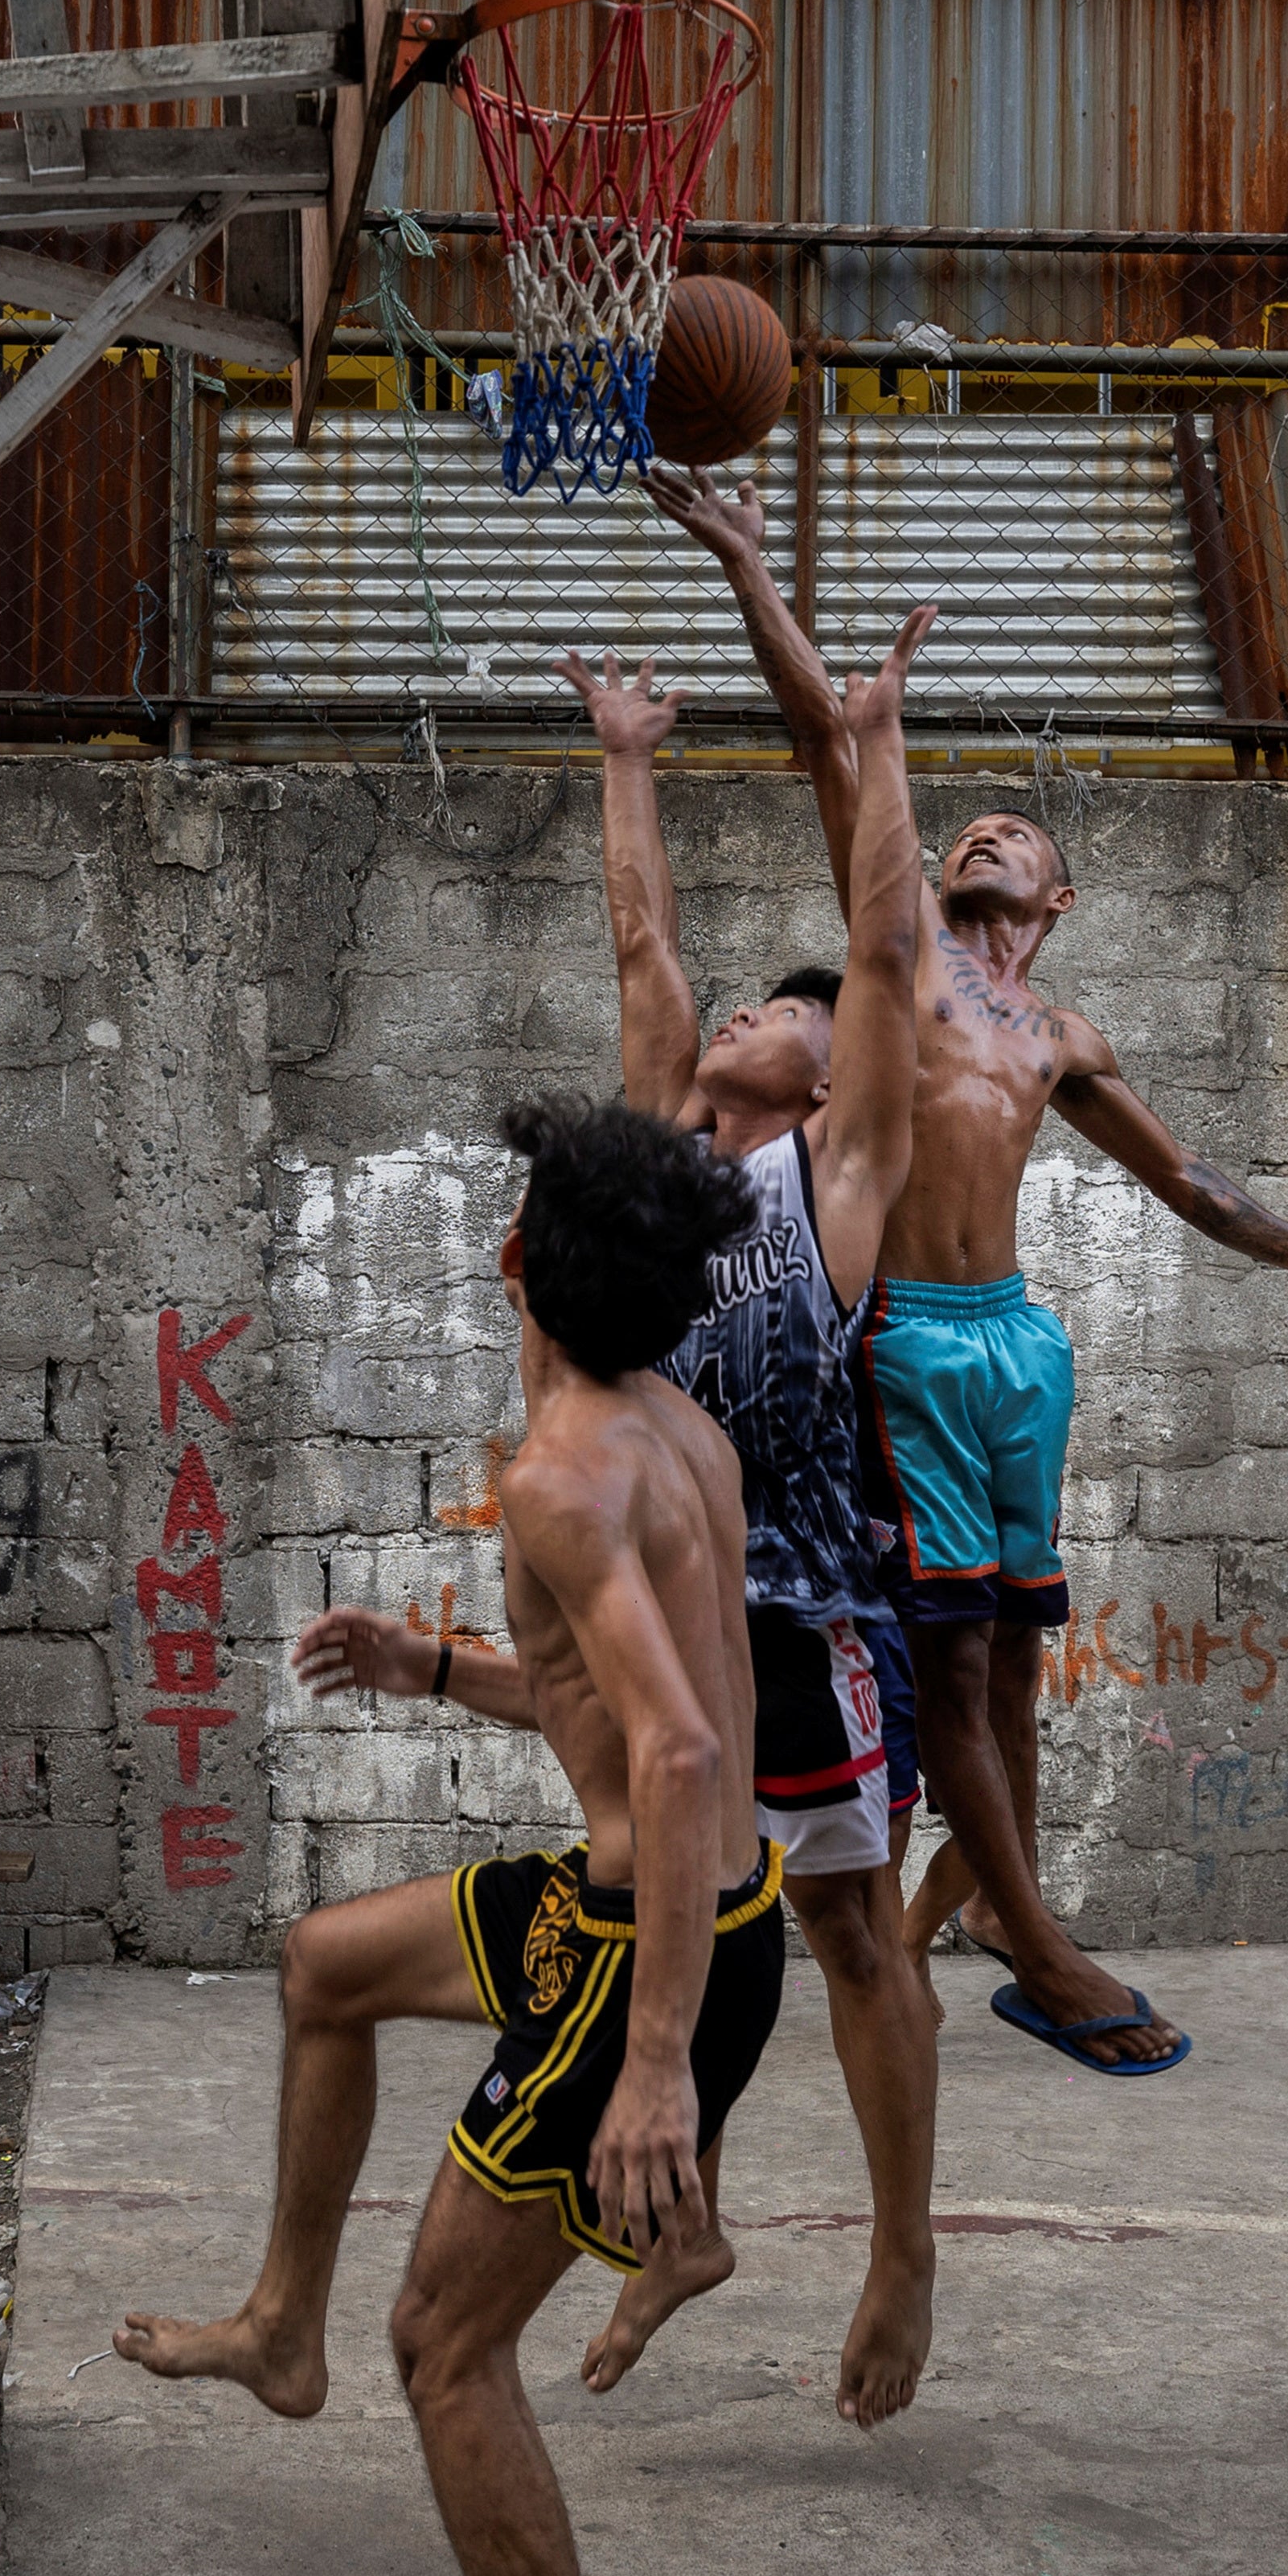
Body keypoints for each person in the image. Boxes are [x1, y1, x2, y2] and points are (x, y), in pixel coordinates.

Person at [646, 470, 1288, 2078]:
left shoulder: (1059, 1034)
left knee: (1017, 1649)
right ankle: (1049, 1954)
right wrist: (743, 564)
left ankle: (1001, 1905)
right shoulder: (907, 963)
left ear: (1056, 902)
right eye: (968, 826)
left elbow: (1185, 1178)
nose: (985, 829)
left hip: (1020, 1350)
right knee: (960, 1657)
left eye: (1019, 832)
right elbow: (828, 745)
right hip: (910, 1342)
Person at [293, 602, 944, 2429]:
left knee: (841, 1934)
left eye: (785, 1015)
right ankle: (684, 2215)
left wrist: (871, 742)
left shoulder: (835, 1181)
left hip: (800, 1607)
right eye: (748, 1002)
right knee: (642, 1828)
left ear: (820, 1082)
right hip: (660, 1565)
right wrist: (626, 754)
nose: (749, 1007)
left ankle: (896, 2244)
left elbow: (887, 954)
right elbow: (641, 938)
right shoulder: (658, 1163)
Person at [123, 1099, 779, 2576]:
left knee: (444, 2347)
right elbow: (616, 1700)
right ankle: (284, 2328)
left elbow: (682, 1754)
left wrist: (655, 2071)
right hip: (675, 1900)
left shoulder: (566, 1471)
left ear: (510, 1264)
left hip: (647, 1954)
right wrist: (433, 1664)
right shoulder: (672, 1428)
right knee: (324, 1966)